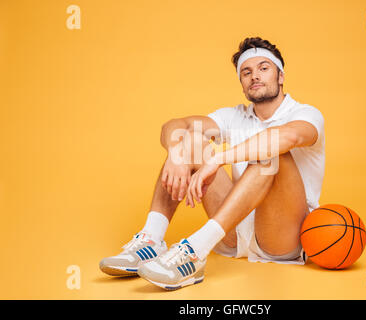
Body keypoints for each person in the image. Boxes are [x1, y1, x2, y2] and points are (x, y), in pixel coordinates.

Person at [99, 36, 325, 290]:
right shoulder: (234, 116)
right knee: (189, 138)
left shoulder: (305, 113)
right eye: (246, 72)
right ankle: (151, 239)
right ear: (242, 83)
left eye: (264, 68)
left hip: (281, 237)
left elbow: (288, 137)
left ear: (280, 76)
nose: (255, 76)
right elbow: (174, 126)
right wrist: (176, 151)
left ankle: (195, 251)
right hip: (232, 235)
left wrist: (218, 158)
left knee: (273, 151)